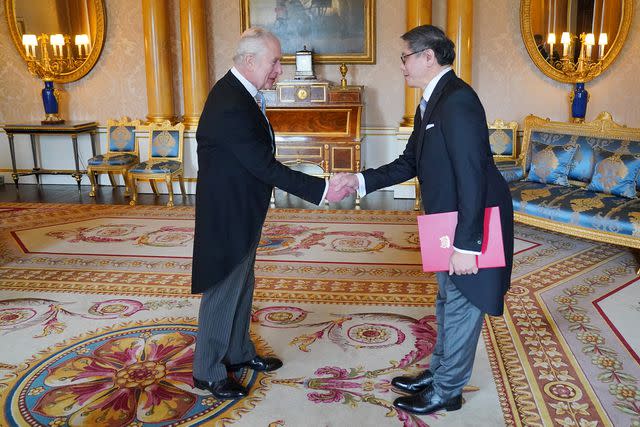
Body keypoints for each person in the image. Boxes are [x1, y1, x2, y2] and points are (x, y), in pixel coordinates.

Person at [329, 25, 514, 415]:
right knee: (447, 300)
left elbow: (472, 174)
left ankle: (447, 390)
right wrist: (359, 179)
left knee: (464, 304)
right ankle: (439, 371)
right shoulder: (431, 102)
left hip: (467, 224)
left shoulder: (459, 101)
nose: (402, 67)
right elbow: (409, 162)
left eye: (404, 58)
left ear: (428, 56)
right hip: (444, 222)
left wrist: (468, 244)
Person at [191, 27, 346, 400]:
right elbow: (265, 165)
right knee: (224, 287)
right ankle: (207, 372)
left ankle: (238, 352)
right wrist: (321, 188)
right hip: (227, 212)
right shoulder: (231, 102)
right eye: (274, 61)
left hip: (242, 207)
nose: (280, 69)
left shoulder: (242, 95)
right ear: (249, 61)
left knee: (243, 284)